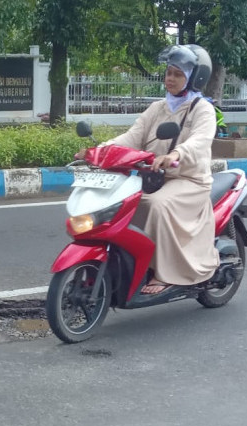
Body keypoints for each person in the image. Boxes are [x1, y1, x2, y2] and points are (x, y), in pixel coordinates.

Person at [75, 44, 219, 294]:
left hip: (188, 179)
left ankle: (163, 273)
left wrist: (176, 154)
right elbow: (132, 136)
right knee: (121, 204)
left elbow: (200, 141)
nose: (170, 79)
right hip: (154, 177)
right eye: (168, 73)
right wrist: (98, 151)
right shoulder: (157, 108)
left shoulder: (202, 108)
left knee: (156, 205)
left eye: (178, 74)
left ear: (194, 78)